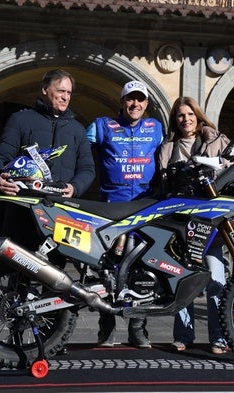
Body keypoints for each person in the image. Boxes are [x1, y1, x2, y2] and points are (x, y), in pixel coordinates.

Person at [86, 80, 164, 349]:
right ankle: (106, 328)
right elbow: (76, 144)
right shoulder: (102, 126)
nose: (135, 104)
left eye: (140, 100)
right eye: (130, 99)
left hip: (144, 206)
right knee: (106, 270)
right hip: (111, 207)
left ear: (146, 104)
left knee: (143, 271)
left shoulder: (156, 129)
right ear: (122, 102)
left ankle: (138, 329)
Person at [0, 69, 95, 253]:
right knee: (14, 266)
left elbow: (87, 169)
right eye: (60, 91)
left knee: (56, 271)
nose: (65, 97)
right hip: (23, 209)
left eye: (69, 93)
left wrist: (75, 187)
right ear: (45, 89)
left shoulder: (77, 129)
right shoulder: (20, 119)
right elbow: (0, 157)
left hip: (60, 211)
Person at [158, 96, 231, 354]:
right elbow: (164, 185)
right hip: (181, 225)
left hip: (210, 224)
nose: (185, 119)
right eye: (180, 115)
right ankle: (183, 335)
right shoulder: (168, 148)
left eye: (190, 114)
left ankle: (219, 337)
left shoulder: (216, 141)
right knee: (184, 282)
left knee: (215, 280)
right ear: (175, 120)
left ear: (198, 116)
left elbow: (232, 174)